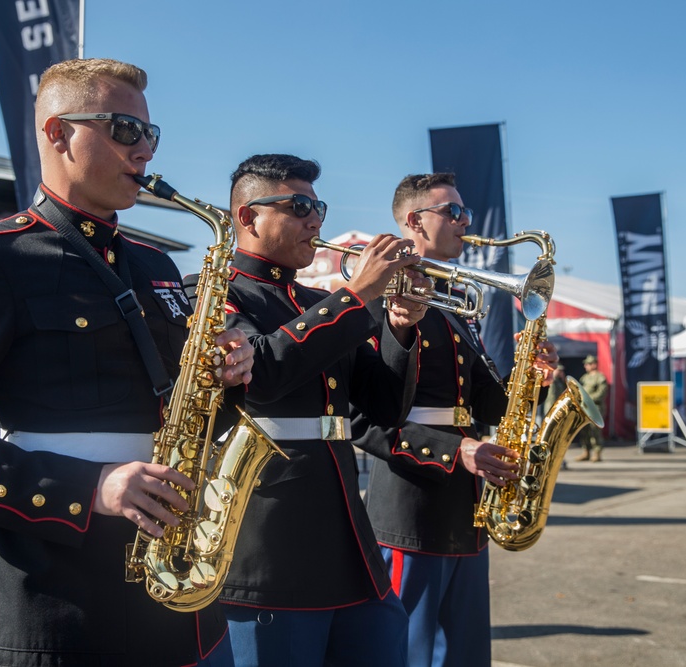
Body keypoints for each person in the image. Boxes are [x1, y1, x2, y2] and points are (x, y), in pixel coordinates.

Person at [0, 58, 254, 667]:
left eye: (150, 135)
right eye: (125, 131)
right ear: (57, 132)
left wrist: (226, 372)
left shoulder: (156, 265)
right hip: (58, 606)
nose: (145, 153)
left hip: (182, 601)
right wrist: (94, 489)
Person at [215, 154, 427, 667]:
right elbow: (260, 377)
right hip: (269, 539)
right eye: (299, 206)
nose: (316, 220)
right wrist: (357, 295)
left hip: (346, 537)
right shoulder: (217, 292)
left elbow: (380, 408)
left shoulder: (316, 300)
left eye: (319, 206)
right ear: (248, 217)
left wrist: (400, 328)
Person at [350, 172, 557, 667]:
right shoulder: (380, 296)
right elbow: (365, 420)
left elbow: (484, 404)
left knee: (462, 650)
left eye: (465, 212)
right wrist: (456, 451)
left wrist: (531, 380)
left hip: (466, 500)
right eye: (454, 213)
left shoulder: (456, 302)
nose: (466, 222)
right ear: (413, 222)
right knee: (410, 647)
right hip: (412, 499)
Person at [575, 354, 608, 462]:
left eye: (588, 364)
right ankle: (586, 452)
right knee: (585, 430)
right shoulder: (585, 377)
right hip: (584, 408)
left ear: (594, 364)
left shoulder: (600, 377)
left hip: (596, 408)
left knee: (595, 431)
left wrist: (588, 399)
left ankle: (597, 452)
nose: (585, 366)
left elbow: (601, 393)